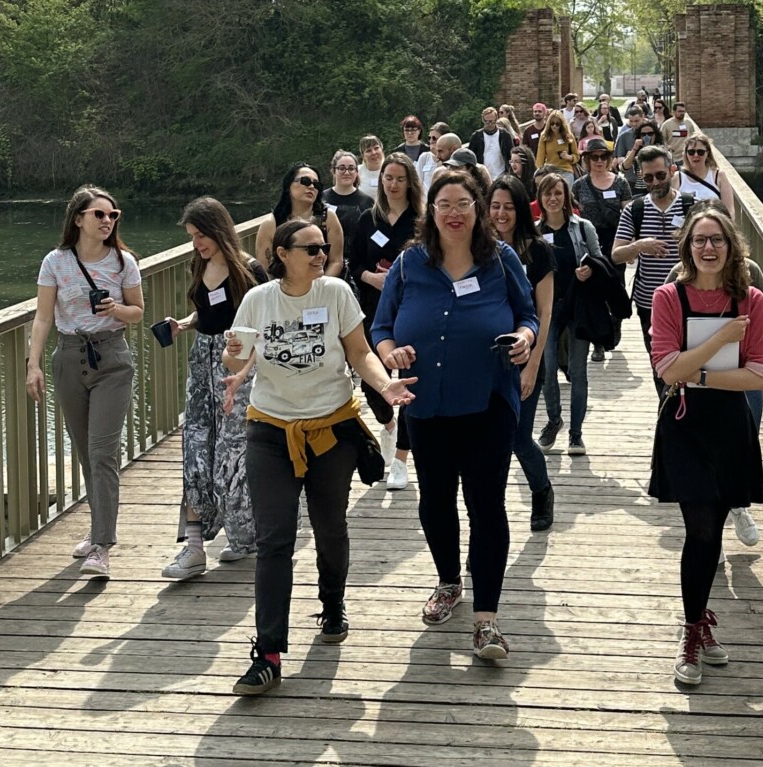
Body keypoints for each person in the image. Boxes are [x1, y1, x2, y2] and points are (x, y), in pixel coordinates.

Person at [227, 219, 416, 695]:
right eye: (310, 248)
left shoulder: (335, 293)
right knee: (275, 540)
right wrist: (232, 359)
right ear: (281, 253)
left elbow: (359, 352)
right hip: (270, 430)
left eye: (324, 247)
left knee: (330, 525)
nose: (320, 254)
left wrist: (383, 383)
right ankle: (268, 653)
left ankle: (332, 603)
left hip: (331, 429)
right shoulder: (258, 300)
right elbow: (239, 357)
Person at [372, 171, 539, 659]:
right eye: (444, 204)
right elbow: (381, 327)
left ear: (479, 209)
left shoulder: (502, 260)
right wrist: (390, 353)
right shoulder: (408, 266)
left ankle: (487, 620)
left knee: (487, 505)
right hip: (428, 405)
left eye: (464, 203)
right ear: (431, 212)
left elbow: (527, 315)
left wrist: (526, 339)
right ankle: (449, 582)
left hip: (487, 402)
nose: (454, 213)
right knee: (436, 501)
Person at [647, 206, 763, 686]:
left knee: (715, 526)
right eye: (699, 240)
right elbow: (668, 370)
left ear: (731, 246)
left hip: (729, 427)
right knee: (699, 529)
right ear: (688, 248)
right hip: (684, 424)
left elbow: (759, 374)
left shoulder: (752, 299)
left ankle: (700, 621)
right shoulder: (668, 297)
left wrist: (693, 370)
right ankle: (692, 631)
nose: (708, 248)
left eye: (717, 240)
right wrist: (721, 339)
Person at [26, 185, 144, 580]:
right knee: (84, 451)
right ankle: (96, 531)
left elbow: (138, 313)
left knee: (102, 452)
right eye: (99, 215)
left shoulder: (124, 261)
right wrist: (34, 365)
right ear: (78, 218)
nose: (107, 221)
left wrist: (117, 308)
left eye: (113, 215)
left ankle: (103, 546)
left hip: (112, 357)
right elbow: (43, 317)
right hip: (69, 358)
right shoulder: (55, 262)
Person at [160, 197, 268, 580]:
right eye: (192, 237)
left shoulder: (249, 271)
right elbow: (207, 312)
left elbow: (264, 325)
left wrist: (245, 360)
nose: (197, 244)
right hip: (200, 363)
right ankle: (193, 546)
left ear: (219, 229)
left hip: (235, 367)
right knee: (195, 447)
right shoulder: (200, 264)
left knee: (232, 451)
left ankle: (245, 532)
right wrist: (186, 324)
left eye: (201, 235)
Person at [348, 152, 424, 490]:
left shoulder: (422, 220)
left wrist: (400, 276)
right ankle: (389, 425)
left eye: (399, 179)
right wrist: (372, 278)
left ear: (410, 183)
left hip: (412, 308)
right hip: (373, 307)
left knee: (408, 382)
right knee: (372, 382)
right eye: (388, 179)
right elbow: (354, 261)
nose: (392, 184)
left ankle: (400, 461)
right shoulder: (368, 218)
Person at [488, 176, 556, 531]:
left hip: (525, 357)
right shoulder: (477, 249)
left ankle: (541, 490)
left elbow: (544, 312)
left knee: (517, 437)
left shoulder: (538, 250)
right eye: (495, 206)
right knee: (487, 443)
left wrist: (532, 367)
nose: (501, 214)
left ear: (520, 209)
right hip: (486, 359)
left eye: (508, 207)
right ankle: (489, 521)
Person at [612, 145, 696, 393]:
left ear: (671, 171)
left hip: (689, 298)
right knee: (661, 366)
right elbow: (616, 255)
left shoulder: (691, 207)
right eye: (648, 177)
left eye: (660, 175)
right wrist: (640, 245)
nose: (655, 182)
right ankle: (667, 417)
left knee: (691, 363)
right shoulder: (634, 210)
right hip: (650, 303)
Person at [534, 172, 602, 455]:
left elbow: (600, 260)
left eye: (558, 193)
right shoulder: (534, 232)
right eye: (547, 193)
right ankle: (554, 420)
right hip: (546, 309)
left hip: (577, 305)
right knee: (548, 368)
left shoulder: (582, 227)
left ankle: (576, 434)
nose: (553, 198)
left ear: (566, 198)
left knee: (578, 371)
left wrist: (591, 269)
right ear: (540, 198)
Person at [572, 139, 633, 359]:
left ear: (608, 159)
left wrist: (632, 243)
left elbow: (628, 214)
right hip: (590, 240)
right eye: (593, 157)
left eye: (603, 157)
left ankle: (615, 320)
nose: (598, 161)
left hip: (616, 240)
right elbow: (574, 214)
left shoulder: (620, 183)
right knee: (594, 289)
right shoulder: (579, 185)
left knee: (615, 283)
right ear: (587, 160)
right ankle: (598, 341)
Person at [255, 163, 344, 278]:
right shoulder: (271, 223)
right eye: (305, 181)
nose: (311, 186)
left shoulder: (328, 218)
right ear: (288, 185)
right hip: (283, 289)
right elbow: (265, 269)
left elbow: (336, 262)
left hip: (321, 285)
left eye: (316, 184)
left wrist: (320, 287)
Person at [672, 134, 736, 216]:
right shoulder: (677, 178)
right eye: (691, 152)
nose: (696, 155)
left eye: (700, 152)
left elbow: (729, 211)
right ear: (686, 154)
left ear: (707, 153)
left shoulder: (719, 176)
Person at [535, 110, 579, 188]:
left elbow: (576, 156)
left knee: (566, 195)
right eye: (552, 124)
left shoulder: (569, 136)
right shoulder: (544, 136)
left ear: (561, 124)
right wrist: (539, 171)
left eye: (557, 124)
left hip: (566, 170)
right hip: (550, 171)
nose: (554, 126)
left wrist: (569, 157)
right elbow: (540, 157)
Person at [469, 106, 514, 182]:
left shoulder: (505, 135)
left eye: (492, 121)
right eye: (487, 122)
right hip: (482, 177)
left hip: (502, 176)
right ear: (483, 120)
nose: (489, 124)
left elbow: (510, 155)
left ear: (496, 119)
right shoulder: (476, 136)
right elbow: (471, 157)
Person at [620, 120, 663, 198]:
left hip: (658, 186)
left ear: (655, 135)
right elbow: (623, 168)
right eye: (643, 134)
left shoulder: (662, 151)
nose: (647, 137)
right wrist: (635, 149)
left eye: (650, 134)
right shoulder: (635, 152)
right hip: (640, 189)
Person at [415, 122, 450, 197]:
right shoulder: (424, 157)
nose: (431, 141)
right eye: (429, 138)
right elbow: (417, 182)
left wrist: (437, 154)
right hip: (425, 202)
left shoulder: (450, 158)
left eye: (434, 138)